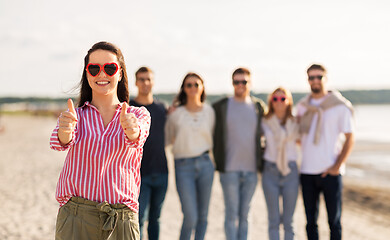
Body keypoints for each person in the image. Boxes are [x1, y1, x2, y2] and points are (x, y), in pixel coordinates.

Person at [50, 41, 151, 240]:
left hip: (121, 220)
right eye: (94, 68)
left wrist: (131, 129)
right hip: (76, 217)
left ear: (120, 73)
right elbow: (60, 142)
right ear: (87, 74)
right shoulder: (75, 115)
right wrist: (65, 131)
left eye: (110, 68)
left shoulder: (138, 114)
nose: (102, 74)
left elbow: (137, 136)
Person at [296, 64, 355, 240]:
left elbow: (350, 138)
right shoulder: (302, 107)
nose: (315, 81)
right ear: (308, 81)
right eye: (311, 78)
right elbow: (299, 137)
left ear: (326, 79)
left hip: (330, 172)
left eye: (319, 77)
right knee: (310, 222)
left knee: (334, 222)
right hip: (307, 171)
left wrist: (337, 166)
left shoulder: (339, 106)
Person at [212, 67, 266, 240]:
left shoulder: (258, 107)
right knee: (231, 214)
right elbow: (198, 110)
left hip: (251, 171)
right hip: (229, 170)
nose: (240, 85)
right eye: (237, 82)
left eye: (244, 81)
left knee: (245, 215)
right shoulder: (221, 106)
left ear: (250, 83)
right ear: (232, 83)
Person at [165, 72, 215, 240]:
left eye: (196, 84)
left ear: (202, 87)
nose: (193, 88)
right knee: (190, 216)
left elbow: (214, 137)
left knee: (203, 217)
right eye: (189, 85)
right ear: (184, 89)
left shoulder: (210, 112)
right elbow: (168, 138)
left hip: (206, 165)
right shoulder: (175, 114)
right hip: (183, 166)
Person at [130, 67, 168, 240]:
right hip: (138, 175)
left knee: (155, 219)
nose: (145, 83)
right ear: (136, 82)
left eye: (148, 79)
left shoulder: (162, 109)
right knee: (138, 219)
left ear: (153, 82)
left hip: (162, 172)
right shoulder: (129, 108)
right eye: (142, 79)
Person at [261, 87, 299, 240]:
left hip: (291, 172)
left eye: (282, 99)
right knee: (273, 220)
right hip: (270, 171)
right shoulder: (265, 121)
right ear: (271, 101)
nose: (279, 102)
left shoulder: (296, 122)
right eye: (275, 99)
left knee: (289, 221)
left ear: (288, 101)